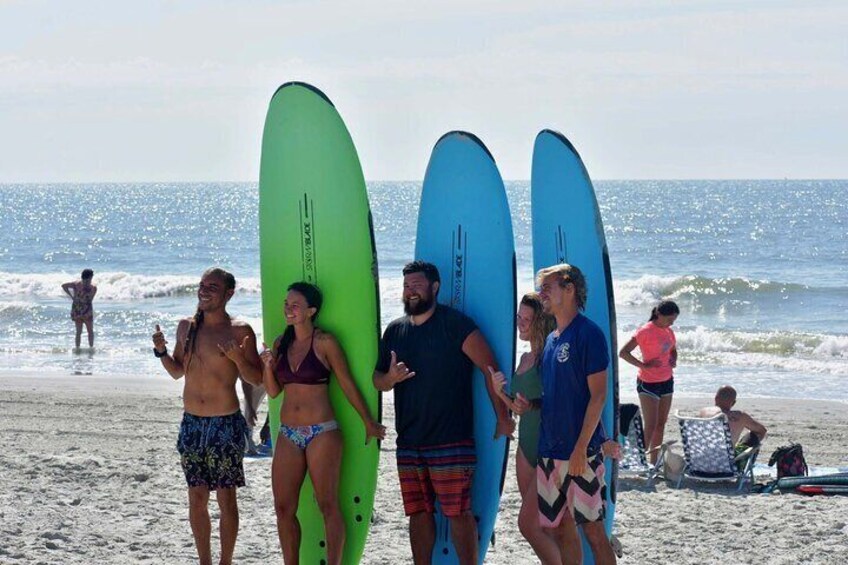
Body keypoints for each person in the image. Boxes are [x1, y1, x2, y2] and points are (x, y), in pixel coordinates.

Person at [373, 260, 514, 565]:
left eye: (417, 285)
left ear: (435, 288)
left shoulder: (456, 325)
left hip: (451, 440)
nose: (410, 292)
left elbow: (490, 369)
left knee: (457, 513)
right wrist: (391, 379)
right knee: (418, 512)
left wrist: (503, 417)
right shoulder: (395, 330)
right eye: (407, 286)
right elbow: (377, 380)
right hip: (410, 440)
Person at [260, 281, 384, 565]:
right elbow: (274, 391)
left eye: (295, 306)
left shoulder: (324, 342)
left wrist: (368, 421)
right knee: (283, 508)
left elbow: (347, 383)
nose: (288, 310)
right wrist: (267, 365)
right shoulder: (282, 343)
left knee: (327, 504)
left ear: (311, 311)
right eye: (286, 304)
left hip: (322, 432)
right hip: (288, 432)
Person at [151, 267, 263, 565]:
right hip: (191, 424)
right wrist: (161, 352)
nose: (204, 290)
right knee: (197, 498)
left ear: (229, 293)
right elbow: (177, 371)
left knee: (226, 499)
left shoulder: (240, 331)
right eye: (202, 285)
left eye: (212, 286)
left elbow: (257, 378)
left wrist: (238, 358)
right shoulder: (187, 326)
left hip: (224, 424)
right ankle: (205, 561)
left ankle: (225, 561)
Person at [511, 263, 617, 565]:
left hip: (580, 453)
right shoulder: (552, 340)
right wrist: (527, 406)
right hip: (549, 453)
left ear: (569, 289)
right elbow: (554, 400)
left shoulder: (588, 334)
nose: (542, 293)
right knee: (558, 529)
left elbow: (598, 396)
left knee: (594, 532)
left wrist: (582, 447)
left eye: (549, 287)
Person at [618, 300, 679, 464]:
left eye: (674, 320)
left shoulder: (669, 331)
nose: (671, 323)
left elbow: (673, 350)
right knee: (650, 425)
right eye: (670, 319)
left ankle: (653, 462)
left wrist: (673, 359)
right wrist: (643, 365)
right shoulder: (645, 331)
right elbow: (623, 353)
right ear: (659, 315)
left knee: (661, 424)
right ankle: (639, 460)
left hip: (667, 380)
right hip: (648, 382)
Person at [698, 385, 767, 448]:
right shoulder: (741, 416)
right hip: (725, 460)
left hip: (698, 459)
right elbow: (762, 431)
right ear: (734, 403)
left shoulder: (703, 412)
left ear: (715, 398)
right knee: (754, 435)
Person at [62, 268, 97, 350]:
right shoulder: (93, 288)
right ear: (90, 277)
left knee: (79, 332)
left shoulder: (76, 284)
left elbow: (64, 286)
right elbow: (90, 299)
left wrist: (72, 296)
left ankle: (78, 349)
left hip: (77, 310)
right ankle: (90, 349)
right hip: (87, 311)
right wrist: (71, 296)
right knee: (89, 331)